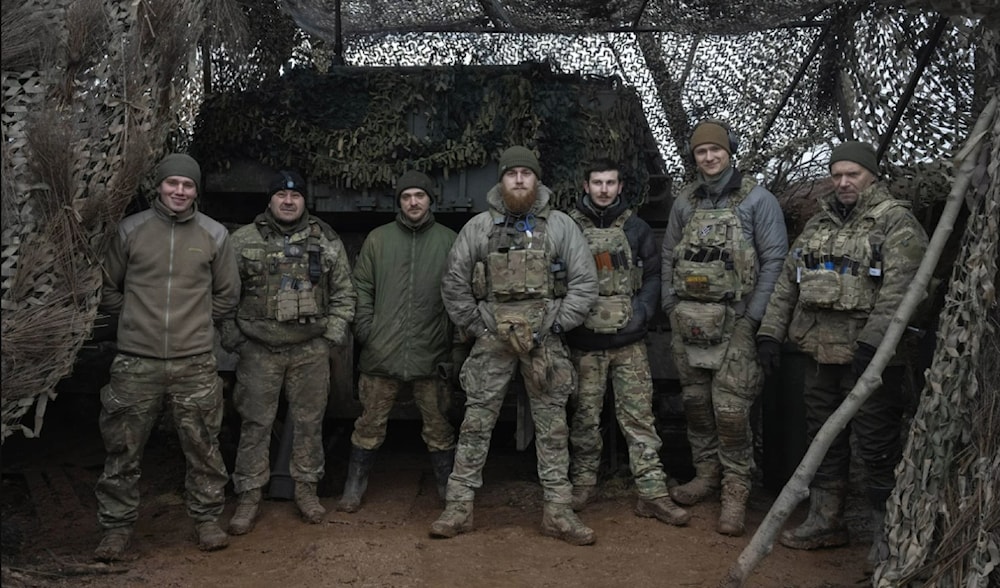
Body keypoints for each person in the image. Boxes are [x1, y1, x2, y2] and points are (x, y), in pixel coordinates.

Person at [757, 141, 928, 564]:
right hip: (818, 357)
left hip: (871, 360)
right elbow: (786, 285)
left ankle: (885, 533)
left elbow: (902, 291)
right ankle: (825, 521)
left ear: (871, 174)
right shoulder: (817, 224)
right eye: (837, 175)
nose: (844, 182)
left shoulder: (896, 223)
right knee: (822, 439)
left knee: (876, 445)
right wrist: (769, 335)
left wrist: (873, 342)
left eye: (853, 174)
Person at [430, 146, 599, 545]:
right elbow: (454, 283)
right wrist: (481, 325)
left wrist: (551, 326)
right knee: (475, 423)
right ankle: (459, 507)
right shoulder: (479, 228)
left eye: (526, 173)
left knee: (553, 426)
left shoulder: (560, 226)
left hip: (544, 341)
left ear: (537, 180)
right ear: (501, 180)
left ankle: (558, 511)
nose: (519, 180)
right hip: (492, 339)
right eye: (512, 174)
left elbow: (584, 284)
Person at [94, 153, 241, 561]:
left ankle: (207, 519)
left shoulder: (214, 235)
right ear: (158, 186)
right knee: (123, 448)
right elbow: (106, 287)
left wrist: (194, 323)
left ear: (197, 191)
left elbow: (227, 295)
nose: (180, 191)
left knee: (203, 446)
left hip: (194, 361)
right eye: (172, 183)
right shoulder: (131, 231)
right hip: (135, 362)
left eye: (188, 185)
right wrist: (135, 315)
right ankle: (116, 529)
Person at [661, 120, 788, 536]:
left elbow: (775, 263)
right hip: (690, 324)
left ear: (730, 151)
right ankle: (706, 475)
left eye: (716, 150)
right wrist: (671, 306)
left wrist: (754, 320)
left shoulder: (758, 201)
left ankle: (736, 489)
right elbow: (668, 258)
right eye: (701, 152)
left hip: (736, 322)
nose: (709, 157)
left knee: (732, 412)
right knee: (696, 405)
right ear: (694, 158)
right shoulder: (685, 203)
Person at [222, 170, 356, 534]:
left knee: (310, 424)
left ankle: (307, 490)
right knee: (255, 424)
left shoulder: (325, 240)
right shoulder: (242, 240)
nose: (287, 201)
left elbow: (344, 294)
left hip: (309, 349)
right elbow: (222, 295)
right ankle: (249, 496)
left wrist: (330, 338)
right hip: (258, 350)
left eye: (294, 196)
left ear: (304, 201)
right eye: (280, 194)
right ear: (270, 200)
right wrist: (236, 340)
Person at [564, 158, 690, 527]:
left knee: (638, 419)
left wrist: (642, 313)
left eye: (611, 183)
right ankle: (582, 484)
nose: (604, 189)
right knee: (584, 417)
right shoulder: (568, 227)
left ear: (620, 187)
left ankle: (652, 492)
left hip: (628, 342)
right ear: (586, 186)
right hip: (584, 342)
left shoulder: (635, 228)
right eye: (597, 182)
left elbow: (652, 276)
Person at [337, 170, 458, 513]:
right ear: (399, 202)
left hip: (431, 355)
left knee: (439, 428)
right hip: (381, 354)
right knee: (368, 425)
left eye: (419, 195)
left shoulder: (449, 240)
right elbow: (361, 287)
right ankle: (353, 487)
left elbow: (461, 293)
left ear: (430, 199)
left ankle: (447, 490)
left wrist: (451, 341)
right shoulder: (378, 240)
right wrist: (366, 330)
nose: (413, 202)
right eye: (406, 197)